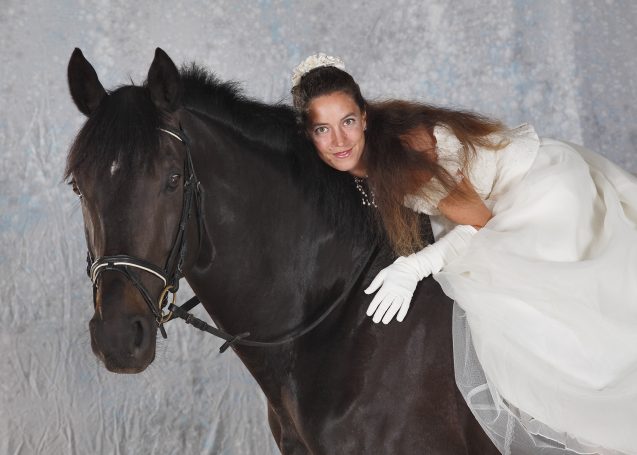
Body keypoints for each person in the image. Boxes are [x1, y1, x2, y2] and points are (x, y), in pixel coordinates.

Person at [290, 53, 637, 455]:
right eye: (323, 129)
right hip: (486, 206)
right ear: (308, 134)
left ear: (364, 117)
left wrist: (417, 265)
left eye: (348, 122)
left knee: (529, 318)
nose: (340, 140)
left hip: (537, 196)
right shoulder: (349, 160)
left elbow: (480, 223)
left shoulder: (406, 157)